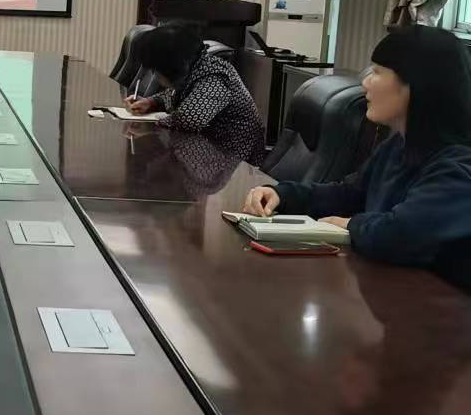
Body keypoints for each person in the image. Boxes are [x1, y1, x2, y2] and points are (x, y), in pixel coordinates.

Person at [243, 25, 471, 289]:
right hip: (390, 293)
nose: (365, 82)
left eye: (378, 72)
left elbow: (402, 235)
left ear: (416, 85)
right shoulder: (397, 145)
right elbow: (349, 194)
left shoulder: (459, 166)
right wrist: (282, 194)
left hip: (437, 306)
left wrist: (351, 224)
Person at [124, 20, 265, 161]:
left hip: (231, 158)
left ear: (170, 67)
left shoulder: (214, 76)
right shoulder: (195, 66)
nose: (155, 75)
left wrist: (150, 128)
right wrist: (151, 102)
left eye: (156, 70)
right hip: (203, 149)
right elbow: (177, 94)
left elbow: (188, 120)